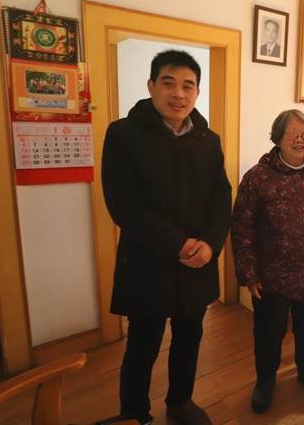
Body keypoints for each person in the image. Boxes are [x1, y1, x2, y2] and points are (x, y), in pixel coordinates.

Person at [100, 49, 232, 425]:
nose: (179, 93)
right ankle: (135, 413)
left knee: (190, 336)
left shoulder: (208, 139)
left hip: (199, 260)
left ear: (197, 92)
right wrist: (179, 244)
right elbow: (124, 204)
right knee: (143, 344)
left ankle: (180, 401)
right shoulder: (123, 134)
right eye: (169, 83)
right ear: (151, 86)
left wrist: (211, 243)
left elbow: (221, 197)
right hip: (148, 260)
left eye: (188, 86)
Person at [231, 109, 304, 413]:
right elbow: (242, 227)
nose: (300, 139)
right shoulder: (258, 177)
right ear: (277, 138)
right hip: (271, 276)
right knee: (268, 334)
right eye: (292, 134)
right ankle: (265, 380)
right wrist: (248, 274)